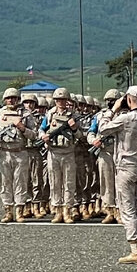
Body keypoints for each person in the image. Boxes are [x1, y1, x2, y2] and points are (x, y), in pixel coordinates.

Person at [98, 85, 137, 265]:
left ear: (128, 99)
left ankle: (134, 250)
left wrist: (113, 110)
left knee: (127, 209)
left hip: (126, 168)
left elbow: (103, 129)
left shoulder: (125, 118)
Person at [0, 87, 32, 223]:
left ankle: (19, 211)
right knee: (5, 182)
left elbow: (34, 134)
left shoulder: (26, 114)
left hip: (20, 152)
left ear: (18, 99)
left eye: (14, 98)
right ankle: (8, 211)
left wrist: (22, 128)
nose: (11, 100)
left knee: (21, 182)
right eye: (8, 98)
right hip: (3, 151)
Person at [40, 86, 81, 223]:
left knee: (69, 183)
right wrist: (44, 136)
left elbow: (81, 135)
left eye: (63, 100)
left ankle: (67, 211)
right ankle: (57, 211)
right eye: (58, 100)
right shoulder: (50, 114)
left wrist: (74, 128)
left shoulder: (73, 115)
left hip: (68, 152)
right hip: (54, 152)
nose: (61, 103)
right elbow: (42, 129)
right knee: (55, 182)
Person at [88, 89, 120, 224]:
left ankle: (120, 211)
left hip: (119, 152)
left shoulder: (125, 115)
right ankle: (109, 211)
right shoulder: (100, 116)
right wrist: (93, 140)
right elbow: (91, 131)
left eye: (113, 100)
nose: (110, 103)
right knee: (106, 183)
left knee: (120, 183)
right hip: (104, 152)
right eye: (108, 100)